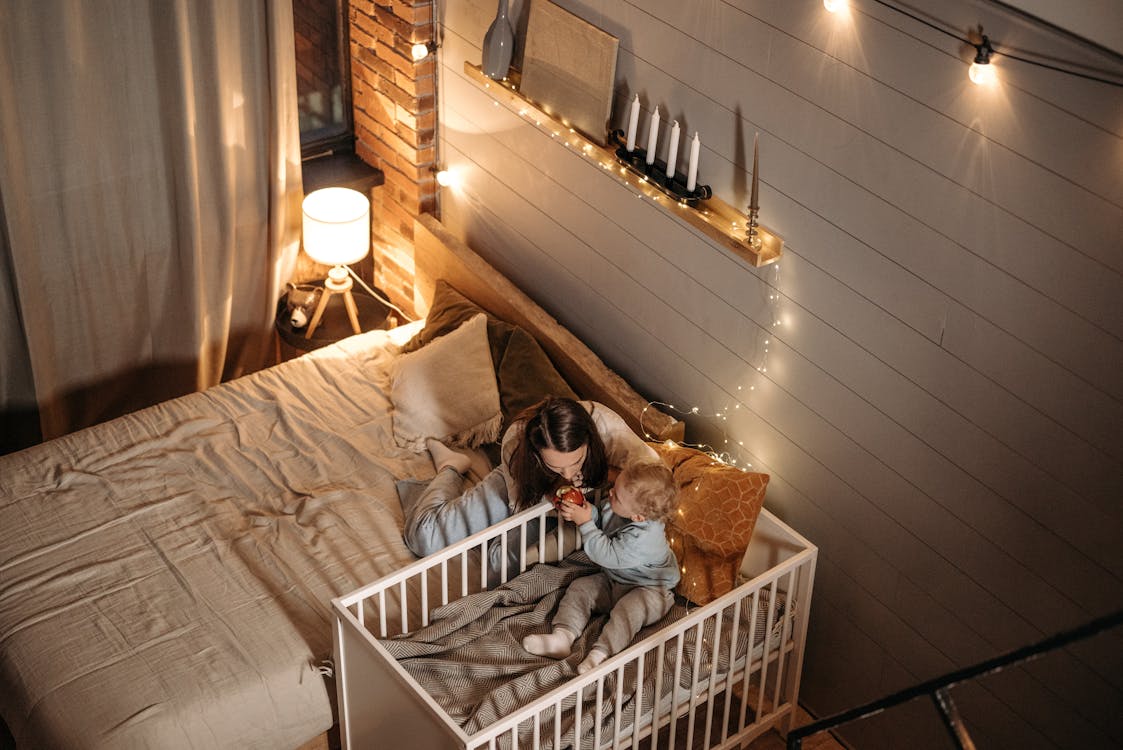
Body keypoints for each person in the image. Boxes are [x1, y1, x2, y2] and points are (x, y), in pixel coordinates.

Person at [399, 396, 658, 559]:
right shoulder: (517, 443)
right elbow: (519, 508)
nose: (569, 474)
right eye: (556, 466)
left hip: (582, 509)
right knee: (424, 539)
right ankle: (451, 466)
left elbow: (653, 479)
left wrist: (601, 476)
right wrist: (553, 490)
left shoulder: (609, 430)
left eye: (576, 461)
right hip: (527, 491)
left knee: (503, 562)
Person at [522, 459, 680, 674]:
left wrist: (584, 523)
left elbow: (606, 555)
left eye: (617, 496)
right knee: (580, 588)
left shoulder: (645, 540)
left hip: (651, 590)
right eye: (614, 488)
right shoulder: (619, 507)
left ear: (639, 517)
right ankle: (562, 637)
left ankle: (600, 655)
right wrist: (588, 513)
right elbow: (604, 520)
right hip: (616, 580)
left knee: (629, 611)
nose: (611, 493)